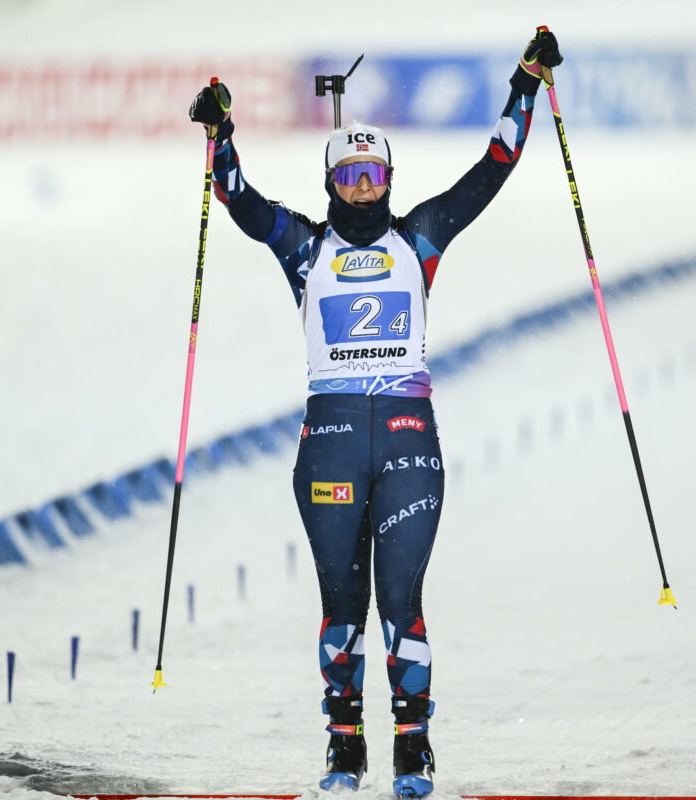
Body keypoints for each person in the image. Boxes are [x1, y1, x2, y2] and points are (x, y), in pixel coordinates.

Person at [189, 29, 563, 799]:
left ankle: (415, 750)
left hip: (405, 440)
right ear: (333, 181)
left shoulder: (420, 236)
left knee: (401, 603)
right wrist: (220, 131)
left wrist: (525, 82)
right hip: (328, 443)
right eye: (350, 174)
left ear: (389, 178)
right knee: (339, 609)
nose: (362, 186)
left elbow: (493, 169)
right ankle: (344, 748)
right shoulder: (305, 246)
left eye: (373, 174)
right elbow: (240, 200)